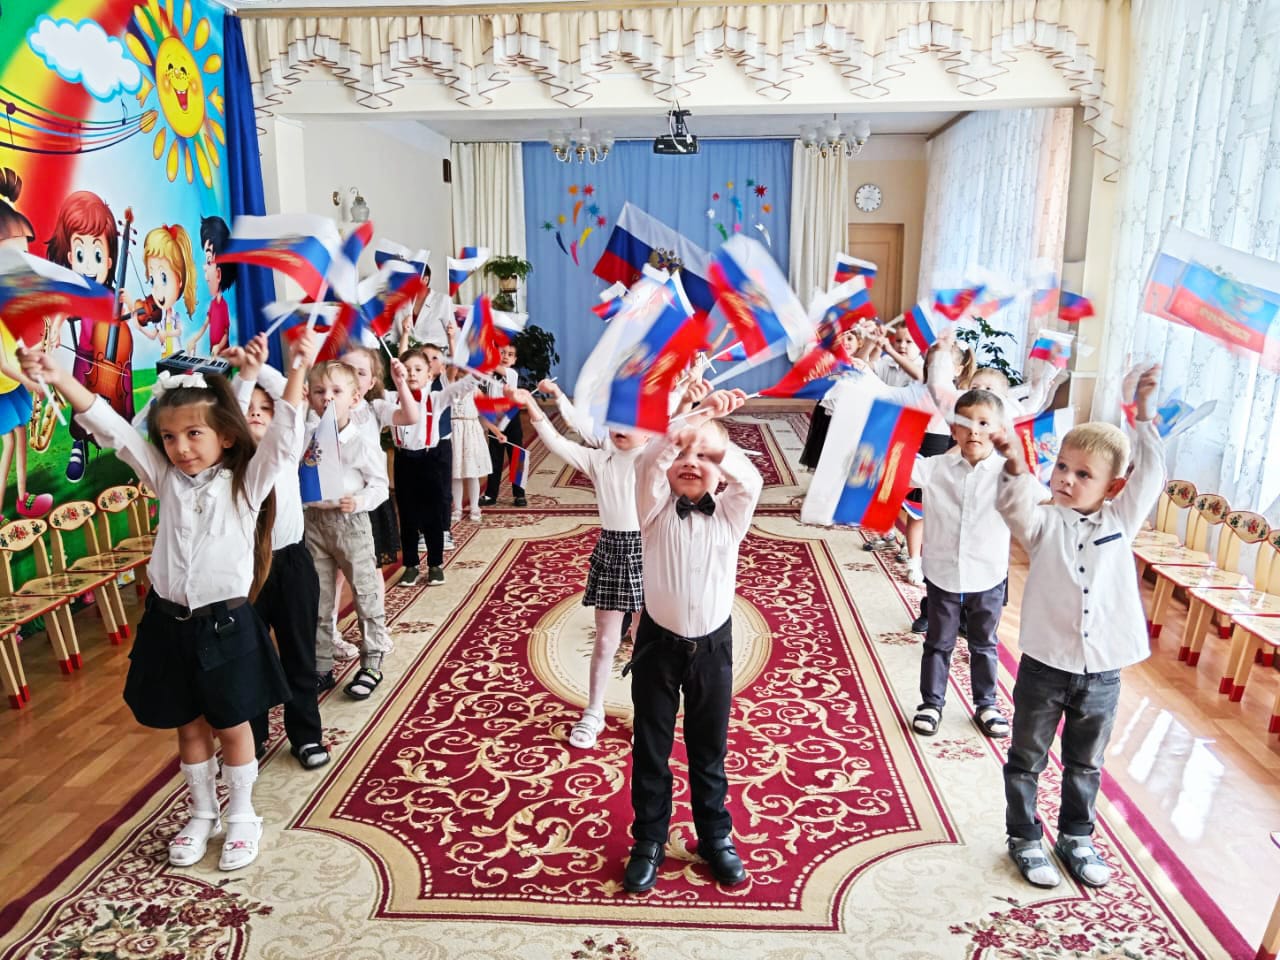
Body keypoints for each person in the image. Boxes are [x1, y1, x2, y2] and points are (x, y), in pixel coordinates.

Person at [19, 329, 318, 871]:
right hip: (170, 623)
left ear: (226, 436)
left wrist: (297, 369)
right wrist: (59, 375)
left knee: (233, 724)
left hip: (227, 625)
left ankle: (242, 815)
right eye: (170, 437)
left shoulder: (246, 484)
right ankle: (202, 813)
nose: (181, 448)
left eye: (194, 434)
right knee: (189, 724)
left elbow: (283, 443)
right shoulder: (164, 477)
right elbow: (112, 428)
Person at [993, 364, 1165, 891]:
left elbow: (1151, 473)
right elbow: (1013, 505)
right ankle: (1024, 836)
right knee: (1026, 758)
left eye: (1084, 474)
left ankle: (1076, 836)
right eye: (1063, 467)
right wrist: (1016, 465)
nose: (1067, 479)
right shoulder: (1044, 522)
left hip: (1102, 672)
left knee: (1086, 762)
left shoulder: (1120, 522)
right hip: (1045, 666)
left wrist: (1143, 414)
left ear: (1113, 486)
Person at [623, 387, 763, 894]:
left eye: (705, 457)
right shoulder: (653, 510)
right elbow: (648, 464)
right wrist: (687, 421)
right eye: (682, 453)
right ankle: (649, 839)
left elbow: (751, 480)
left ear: (720, 471)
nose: (690, 461)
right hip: (657, 645)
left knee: (709, 748)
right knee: (651, 746)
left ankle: (714, 836)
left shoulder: (730, 514)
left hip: (713, 649)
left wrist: (714, 436)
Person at [507, 383, 654, 749]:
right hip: (613, 550)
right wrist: (532, 406)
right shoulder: (600, 460)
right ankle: (594, 711)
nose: (620, 428)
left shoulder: (654, 459)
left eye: (631, 422)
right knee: (605, 639)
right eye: (615, 420)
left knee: (645, 642)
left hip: (650, 552)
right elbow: (558, 443)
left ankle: (646, 712)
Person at [224, 335, 329, 771]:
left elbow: (290, 405)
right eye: (248, 410)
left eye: (264, 410)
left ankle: (305, 735)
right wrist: (244, 376)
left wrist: (267, 367)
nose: (255, 415)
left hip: (291, 563)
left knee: (299, 654)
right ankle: (253, 735)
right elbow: (232, 411)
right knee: (248, 657)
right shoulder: (230, 463)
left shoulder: (285, 448)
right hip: (244, 570)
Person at [908, 388, 1014, 740]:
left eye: (984, 424)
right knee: (938, 641)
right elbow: (894, 467)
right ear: (952, 430)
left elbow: (1041, 501)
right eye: (965, 424)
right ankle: (931, 703)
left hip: (988, 574)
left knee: (984, 642)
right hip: (943, 572)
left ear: (999, 430)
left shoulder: (1009, 475)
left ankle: (987, 704)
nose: (974, 432)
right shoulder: (934, 468)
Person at [303, 360, 393, 700]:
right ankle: (321, 664)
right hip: (314, 523)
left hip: (351, 523)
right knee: (319, 597)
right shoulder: (306, 437)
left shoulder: (361, 441)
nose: (327, 397)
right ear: (309, 397)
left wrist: (359, 501)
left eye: (336, 391)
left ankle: (372, 661)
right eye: (319, 391)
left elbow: (380, 486)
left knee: (365, 593)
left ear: (354, 398)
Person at [392, 347, 474, 585]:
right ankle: (410, 565)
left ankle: (435, 564)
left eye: (418, 369)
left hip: (430, 460)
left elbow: (462, 386)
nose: (412, 374)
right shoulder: (391, 398)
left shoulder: (436, 398)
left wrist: (478, 367)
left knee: (433, 514)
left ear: (429, 375)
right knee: (407, 515)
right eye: (407, 369)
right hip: (404, 460)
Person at [479, 343, 527, 507]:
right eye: (502, 353)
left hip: (511, 418)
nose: (505, 356)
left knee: (516, 455)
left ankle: (519, 494)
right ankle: (490, 494)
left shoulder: (511, 374)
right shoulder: (489, 376)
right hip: (495, 420)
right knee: (494, 457)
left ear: (514, 360)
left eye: (510, 354)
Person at [185, 215, 236, 356]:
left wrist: (219, 346)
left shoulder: (224, 306)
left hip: (223, 354)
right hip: (213, 353)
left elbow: (226, 334)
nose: (204, 268)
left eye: (208, 261)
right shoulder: (213, 305)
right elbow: (205, 325)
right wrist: (194, 339)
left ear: (219, 274)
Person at [449, 366, 491, 523]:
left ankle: (474, 506)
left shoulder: (475, 391)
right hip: (454, 433)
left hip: (471, 433)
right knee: (456, 473)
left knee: (472, 472)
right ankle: (457, 507)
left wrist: (496, 432)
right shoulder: (448, 391)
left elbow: (486, 415)